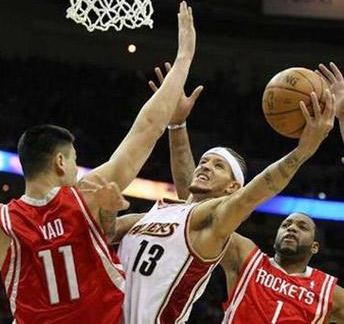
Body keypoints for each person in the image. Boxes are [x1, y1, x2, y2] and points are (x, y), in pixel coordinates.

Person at [0, 1, 196, 324]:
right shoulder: (86, 196)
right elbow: (147, 129)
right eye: (74, 161)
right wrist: (183, 61)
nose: (75, 168)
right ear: (59, 162)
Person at [117, 63, 336, 323]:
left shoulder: (326, 291)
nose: (206, 167)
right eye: (203, 162)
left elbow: (254, 193)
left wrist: (305, 150)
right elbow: (190, 199)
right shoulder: (159, 217)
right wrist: (177, 126)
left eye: (218, 165)